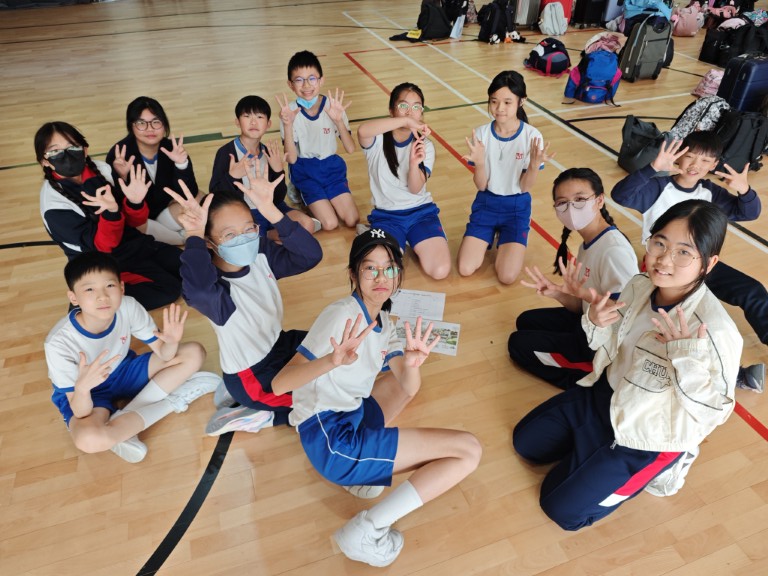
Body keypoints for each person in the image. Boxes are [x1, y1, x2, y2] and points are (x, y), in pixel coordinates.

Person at [513, 200, 742, 530]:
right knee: (526, 444)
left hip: (646, 436)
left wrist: (684, 358)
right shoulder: (639, 285)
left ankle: (665, 465)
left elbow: (714, 412)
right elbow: (609, 344)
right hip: (605, 396)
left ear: (709, 263)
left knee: (561, 509)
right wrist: (594, 320)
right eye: (659, 243)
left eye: (683, 252)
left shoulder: (715, 330)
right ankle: (591, 456)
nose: (664, 259)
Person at [272, 228, 481, 567]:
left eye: (389, 268)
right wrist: (330, 361)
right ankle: (366, 529)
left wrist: (412, 363)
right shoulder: (341, 315)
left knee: (401, 384)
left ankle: (361, 476)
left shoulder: (384, 319)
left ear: (399, 274)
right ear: (353, 274)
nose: (381, 277)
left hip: (350, 415)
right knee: (468, 451)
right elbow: (280, 385)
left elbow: (408, 387)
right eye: (370, 268)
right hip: (331, 441)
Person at [167, 160, 323, 435]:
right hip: (255, 377)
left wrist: (270, 210)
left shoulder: (260, 252)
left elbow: (310, 256)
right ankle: (258, 417)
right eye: (229, 234)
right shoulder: (216, 293)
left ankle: (243, 398)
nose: (244, 238)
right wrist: (193, 235)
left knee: (331, 346)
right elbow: (198, 291)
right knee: (327, 398)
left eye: (249, 227)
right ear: (209, 243)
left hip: (279, 344)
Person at [612, 131, 765, 392]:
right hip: (662, 269)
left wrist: (744, 190)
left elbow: (748, 212)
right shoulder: (658, 188)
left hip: (699, 266)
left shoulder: (711, 193)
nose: (696, 165)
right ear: (678, 155)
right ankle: (732, 375)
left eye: (705, 161)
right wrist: (652, 169)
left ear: (714, 164)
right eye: (690, 156)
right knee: (691, 321)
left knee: (752, 291)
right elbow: (621, 196)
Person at [44, 251, 219, 463]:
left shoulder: (127, 306)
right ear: (73, 297)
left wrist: (171, 342)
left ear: (121, 287)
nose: (102, 296)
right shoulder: (58, 343)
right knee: (88, 440)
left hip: (124, 371)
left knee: (193, 353)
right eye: (89, 289)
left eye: (109, 285)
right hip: (87, 392)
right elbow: (80, 412)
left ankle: (123, 424)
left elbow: (164, 354)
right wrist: (82, 388)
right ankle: (171, 402)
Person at [508, 168, 638, 389]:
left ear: (599, 201)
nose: (570, 208)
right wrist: (557, 293)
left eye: (579, 199)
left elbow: (624, 315)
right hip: (588, 322)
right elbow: (581, 306)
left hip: (602, 343)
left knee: (518, 345)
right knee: (525, 321)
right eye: (562, 202)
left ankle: (589, 377)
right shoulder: (590, 241)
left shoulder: (614, 251)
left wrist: (586, 296)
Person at [36, 121, 183, 311]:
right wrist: (111, 213)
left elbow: (135, 222)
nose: (66, 154)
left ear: (85, 150)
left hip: (134, 244)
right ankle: (88, 300)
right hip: (101, 264)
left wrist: (135, 202)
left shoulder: (101, 169)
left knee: (189, 266)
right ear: (44, 161)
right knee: (170, 289)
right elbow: (102, 248)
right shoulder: (54, 206)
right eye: (55, 151)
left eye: (72, 147)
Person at [458, 70, 554, 285]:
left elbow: (525, 187)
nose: (499, 108)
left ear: (522, 102)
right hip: (486, 203)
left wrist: (533, 166)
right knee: (465, 268)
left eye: (507, 102)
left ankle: (504, 237)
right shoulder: (481, 134)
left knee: (507, 277)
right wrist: (480, 163)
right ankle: (490, 235)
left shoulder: (532, 136)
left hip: (516, 208)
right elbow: (481, 185)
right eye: (494, 101)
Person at [356, 82, 452, 280]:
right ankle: (379, 233)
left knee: (440, 271)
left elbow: (415, 189)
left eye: (416, 107)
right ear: (391, 109)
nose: (410, 111)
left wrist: (414, 163)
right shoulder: (377, 139)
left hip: (421, 213)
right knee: (384, 273)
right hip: (387, 216)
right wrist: (406, 121)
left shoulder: (426, 145)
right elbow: (362, 131)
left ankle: (411, 239)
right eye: (403, 106)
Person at [209, 95, 319, 238]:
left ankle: (267, 236)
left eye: (260, 117)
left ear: (268, 124)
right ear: (237, 122)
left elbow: (278, 198)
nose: (253, 122)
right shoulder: (226, 152)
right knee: (250, 239)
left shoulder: (268, 152)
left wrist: (278, 171)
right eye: (247, 116)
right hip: (245, 214)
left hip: (270, 208)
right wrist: (232, 177)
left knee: (307, 224)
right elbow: (215, 195)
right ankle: (267, 236)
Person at [275, 50, 359, 231]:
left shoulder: (333, 107)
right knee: (330, 224)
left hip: (331, 168)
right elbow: (291, 159)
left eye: (312, 78)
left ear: (321, 80)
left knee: (352, 220)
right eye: (299, 80)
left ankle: (326, 197)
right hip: (305, 171)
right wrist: (288, 125)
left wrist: (339, 121)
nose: (306, 85)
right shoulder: (288, 113)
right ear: (290, 84)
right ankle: (299, 190)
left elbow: (351, 148)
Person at [106, 96, 198, 245]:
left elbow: (189, 192)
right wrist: (121, 177)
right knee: (136, 228)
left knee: (200, 200)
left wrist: (181, 164)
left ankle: (165, 235)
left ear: (164, 124)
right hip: (140, 218)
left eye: (156, 122)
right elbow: (117, 205)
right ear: (131, 126)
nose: (150, 129)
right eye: (141, 123)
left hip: (166, 209)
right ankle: (183, 238)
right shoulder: (119, 155)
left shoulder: (172, 148)